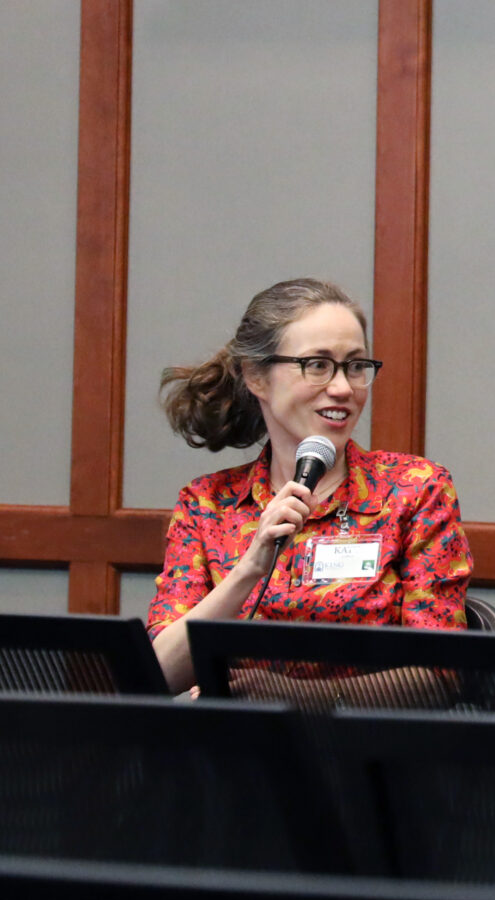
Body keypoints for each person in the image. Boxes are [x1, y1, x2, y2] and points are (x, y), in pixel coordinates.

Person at [143, 277, 471, 693]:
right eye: (317, 365)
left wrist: (297, 698)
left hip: (368, 750)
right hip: (240, 752)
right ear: (256, 377)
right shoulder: (208, 505)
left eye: (355, 366)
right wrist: (249, 569)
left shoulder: (414, 490)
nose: (342, 388)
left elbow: (442, 675)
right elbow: (158, 678)